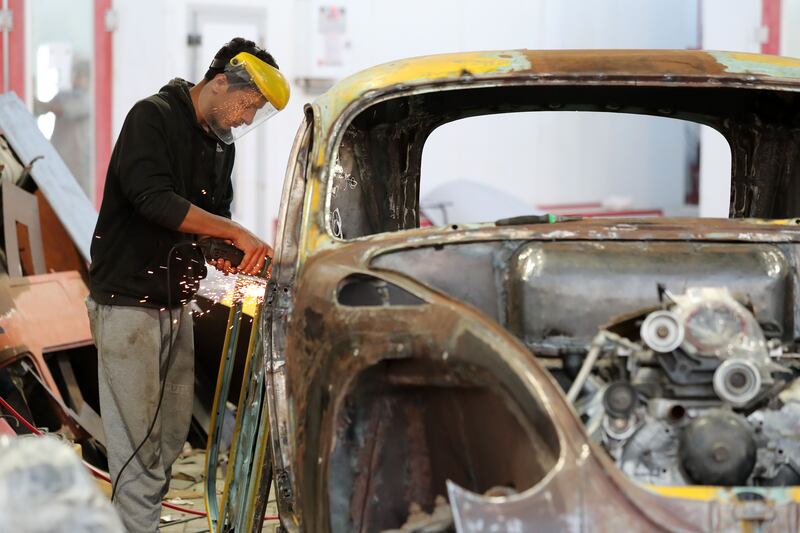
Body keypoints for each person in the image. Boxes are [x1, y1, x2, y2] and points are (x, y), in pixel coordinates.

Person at [85, 37, 289, 531]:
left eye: (254, 111)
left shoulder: (218, 147)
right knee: (137, 447)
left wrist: (234, 254)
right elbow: (154, 200)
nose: (244, 118)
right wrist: (235, 232)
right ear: (220, 82)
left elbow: (210, 223)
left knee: (170, 436)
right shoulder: (151, 118)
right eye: (246, 104)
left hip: (176, 305)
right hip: (128, 305)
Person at [34, 59, 92, 197]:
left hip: (77, 167)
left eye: (81, 75)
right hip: (58, 161)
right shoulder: (64, 95)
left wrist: (39, 102)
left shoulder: (87, 100)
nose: (76, 79)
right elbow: (39, 110)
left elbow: (60, 109)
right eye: (75, 74)